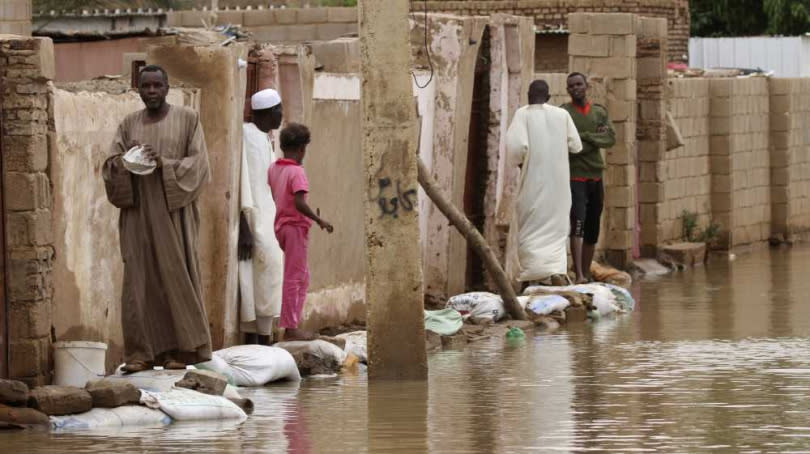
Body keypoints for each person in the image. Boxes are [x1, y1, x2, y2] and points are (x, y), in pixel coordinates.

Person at [103, 65, 211, 373]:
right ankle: (141, 354)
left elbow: (199, 164)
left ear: (167, 88)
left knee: (176, 278)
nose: (151, 91)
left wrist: (164, 163)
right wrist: (128, 161)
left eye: (157, 86)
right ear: (138, 89)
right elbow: (111, 165)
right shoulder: (128, 124)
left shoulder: (188, 119)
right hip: (137, 213)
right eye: (145, 86)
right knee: (139, 281)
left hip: (173, 212)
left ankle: (181, 351)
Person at [505, 80, 583, 287]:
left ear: (528, 96)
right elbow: (576, 146)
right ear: (548, 98)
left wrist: (522, 163)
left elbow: (516, 148)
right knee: (557, 230)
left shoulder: (523, 114)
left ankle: (531, 277)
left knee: (531, 228)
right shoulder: (562, 115)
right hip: (559, 185)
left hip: (533, 182)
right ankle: (556, 272)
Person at [267, 123, 333, 341]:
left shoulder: (275, 168)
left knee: (302, 277)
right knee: (295, 278)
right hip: (295, 227)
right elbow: (298, 201)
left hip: (282, 227)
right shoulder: (297, 172)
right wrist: (318, 219)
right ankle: (290, 327)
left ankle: (294, 322)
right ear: (302, 149)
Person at [238, 88, 285, 345]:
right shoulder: (247, 135)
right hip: (253, 218)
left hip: (269, 221)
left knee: (268, 278)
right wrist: (244, 223)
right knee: (254, 280)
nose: (281, 116)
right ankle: (254, 342)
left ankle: (265, 339)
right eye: (279, 111)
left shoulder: (266, 138)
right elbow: (243, 179)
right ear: (269, 112)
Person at [561, 72, 616, 283]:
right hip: (575, 178)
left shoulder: (599, 112)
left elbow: (610, 138)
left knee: (593, 226)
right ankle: (579, 275)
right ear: (568, 90)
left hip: (596, 177)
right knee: (577, 224)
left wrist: (583, 138)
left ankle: (587, 274)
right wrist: (594, 139)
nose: (576, 88)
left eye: (579, 84)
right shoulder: (564, 114)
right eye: (572, 85)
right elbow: (568, 147)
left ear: (587, 87)